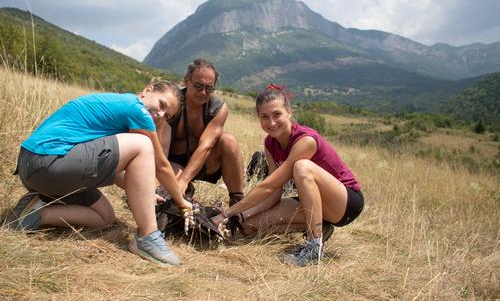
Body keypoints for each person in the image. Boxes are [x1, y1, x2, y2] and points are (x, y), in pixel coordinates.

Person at [4, 80, 191, 266]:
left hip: (37, 168)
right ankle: (147, 237)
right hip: (47, 163)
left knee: (104, 217)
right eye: (161, 105)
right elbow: (162, 166)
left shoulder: (118, 109)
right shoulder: (135, 109)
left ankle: (35, 213)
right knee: (143, 144)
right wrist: (182, 202)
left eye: (167, 116)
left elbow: (103, 166)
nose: (160, 115)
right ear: (147, 90)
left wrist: (146, 193)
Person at [212, 84, 364, 266]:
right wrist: (241, 216)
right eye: (264, 117)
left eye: (277, 114)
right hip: (310, 202)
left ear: (289, 112)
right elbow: (274, 192)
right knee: (247, 226)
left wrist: (226, 214)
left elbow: (268, 185)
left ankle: (313, 246)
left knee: (302, 167)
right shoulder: (270, 143)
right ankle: (322, 227)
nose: (272, 122)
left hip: (345, 203)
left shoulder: (306, 140)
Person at [158, 58, 244, 206]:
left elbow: (206, 146)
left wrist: (184, 180)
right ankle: (184, 193)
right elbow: (158, 147)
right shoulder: (173, 103)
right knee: (166, 195)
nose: (203, 92)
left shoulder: (218, 108)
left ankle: (237, 203)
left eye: (209, 88)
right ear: (186, 82)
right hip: (173, 163)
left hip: (205, 162)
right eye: (198, 86)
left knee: (228, 140)